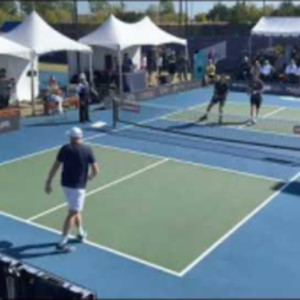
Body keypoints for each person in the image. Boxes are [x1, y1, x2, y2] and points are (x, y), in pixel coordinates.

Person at [45, 127, 99, 252]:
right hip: (78, 187)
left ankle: (80, 233)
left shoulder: (65, 149)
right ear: (80, 137)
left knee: (75, 210)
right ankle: (62, 243)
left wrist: (48, 181)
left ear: (71, 137)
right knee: (73, 213)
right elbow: (96, 170)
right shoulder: (87, 149)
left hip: (65, 185)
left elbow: (55, 166)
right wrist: (90, 177)